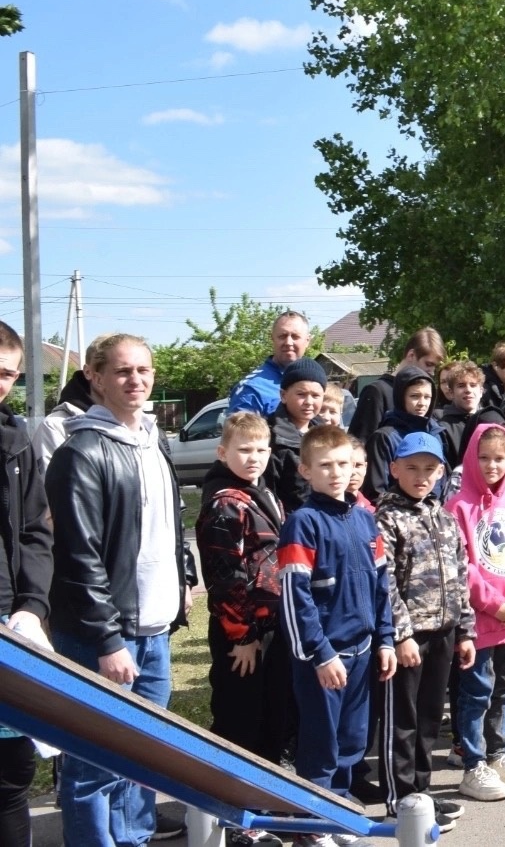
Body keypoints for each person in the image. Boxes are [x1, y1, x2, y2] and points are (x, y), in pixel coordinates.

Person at [47, 334, 192, 847]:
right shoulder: (82, 451)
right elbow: (79, 557)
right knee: (94, 765)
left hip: (154, 629)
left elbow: (167, 527)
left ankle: (132, 839)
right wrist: (108, 641)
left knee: (142, 756)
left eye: (145, 371)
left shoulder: (153, 439)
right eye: (124, 371)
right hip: (103, 637)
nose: (137, 381)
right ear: (95, 376)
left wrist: (183, 584)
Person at [278, 424, 397, 826]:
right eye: (325, 465)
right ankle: (313, 822)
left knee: (352, 741)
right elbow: (297, 598)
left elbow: (382, 587)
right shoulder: (303, 522)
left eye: (343, 464)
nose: (336, 472)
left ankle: (340, 811)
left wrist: (385, 639)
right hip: (325, 659)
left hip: (363, 652)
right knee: (320, 744)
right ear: (305, 470)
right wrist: (320, 653)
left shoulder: (366, 520)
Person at [374, 432, 474, 832]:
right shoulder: (386, 517)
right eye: (412, 468)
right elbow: (385, 584)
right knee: (404, 718)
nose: (421, 476)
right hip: (410, 636)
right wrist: (401, 635)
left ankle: (421, 791)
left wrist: (465, 630)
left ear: (441, 473)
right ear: (395, 469)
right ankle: (399, 798)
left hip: (445, 630)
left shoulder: (443, 516)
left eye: (430, 469)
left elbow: (460, 574)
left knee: (431, 717)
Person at [196, 412, 294, 787]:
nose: (254, 457)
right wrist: (242, 636)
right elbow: (225, 577)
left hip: (271, 626)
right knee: (240, 722)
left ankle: (267, 797)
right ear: (223, 452)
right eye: (244, 450)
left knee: (272, 716)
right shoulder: (226, 505)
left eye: (261, 449)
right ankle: (234, 807)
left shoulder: (264, 493)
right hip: (242, 634)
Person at [448, 424, 505, 801]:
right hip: (482, 619)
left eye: (499, 459)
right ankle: (473, 764)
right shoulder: (459, 506)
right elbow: (462, 565)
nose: (491, 465)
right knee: (476, 692)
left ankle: (498, 752)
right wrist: (495, 605)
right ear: (472, 458)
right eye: (484, 457)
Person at [0, 319, 50, 847]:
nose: (2, 384)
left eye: (9, 375)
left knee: (12, 774)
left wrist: (33, 605)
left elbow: (37, 530)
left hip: (11, 624)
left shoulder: (18, 442)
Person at [349, 328, 446, 443]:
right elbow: (359, 443)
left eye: (435, 367)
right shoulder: (377, 391)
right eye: (428, 364)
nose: (432, 372)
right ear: (411, 355)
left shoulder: (426, 393)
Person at [363, 365, 445, 501]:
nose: (422, 403)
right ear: (401, 397)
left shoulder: (436, 433)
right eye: (414, 396)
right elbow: (375, 491)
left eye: (427, 397)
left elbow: (441, 483)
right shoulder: (385, 437)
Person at [263, 358, 328, 513]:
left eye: (316, 395)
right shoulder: (269, 437)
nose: (309, 402)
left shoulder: (327, 435)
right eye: (301, 394)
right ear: (283, 395)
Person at [33, 340, 103, 472]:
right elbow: (51, 488)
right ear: (88, 372)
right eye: (120, 371)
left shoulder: (143, 425)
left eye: (142, 370)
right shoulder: (57, 426)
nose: (133, 379)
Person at [227, 311, 313, 417]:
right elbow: (237, 432)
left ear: (307, 340)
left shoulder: (316, 382)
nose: (288, 342)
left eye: (295, 336)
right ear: (272, 338)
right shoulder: (252, 389)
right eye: (282, 336)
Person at [435, 360, 489, 470]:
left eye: (473, 385)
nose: (468, 390)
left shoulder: (491, 421)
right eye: (461, 386)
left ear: (481, 391)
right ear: (451, 393)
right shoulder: (443, 428)